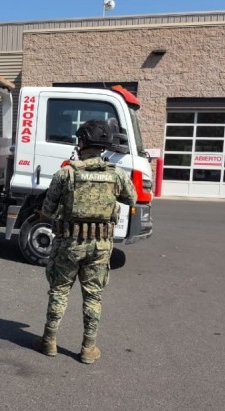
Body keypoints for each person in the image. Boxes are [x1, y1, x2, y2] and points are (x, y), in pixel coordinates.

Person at [34, 119, 137, 364]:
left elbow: (47, 210)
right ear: (104, 146)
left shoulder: (65, 173)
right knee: (93, 296)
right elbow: (132, 198)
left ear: (82, 142)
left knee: (59, 291)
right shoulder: (117, 175)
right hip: (100, 245)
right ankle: (88, 348)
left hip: (68, 243)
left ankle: (49, 341)